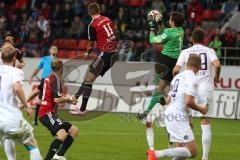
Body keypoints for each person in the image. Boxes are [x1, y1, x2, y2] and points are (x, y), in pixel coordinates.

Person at [137, 11, 184, 150]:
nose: (168, 20)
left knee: (153, 86)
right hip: (174, 63)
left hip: (164, 60)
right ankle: (151, 108)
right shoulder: (180, 30)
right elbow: (166, 33)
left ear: (173, 22)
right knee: (159, 89)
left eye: (169, 19)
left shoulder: (170, 32)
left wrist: (152, 27)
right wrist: (160, 23)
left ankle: (156, 102)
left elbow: (154, 40)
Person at [173, 28, 221, 160]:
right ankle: (204, 158)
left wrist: (179, 81)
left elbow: (176, 70)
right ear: (204, 39)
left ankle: (181, 152)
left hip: (189, 88)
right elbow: (217, 65)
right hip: (205, 88)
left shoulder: (185, 52)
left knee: (184, 121)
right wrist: (217, 77)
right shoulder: (209, 51)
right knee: (205, 123)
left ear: (192, 39)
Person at [148, 55, 208, 160]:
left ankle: (155, 154)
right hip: (178, 115)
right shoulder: (193, 79)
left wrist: (187, 117)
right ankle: (156, 154)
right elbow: (188, 101)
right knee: (192, 151)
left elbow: (168, 100)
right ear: (199, 67)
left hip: (170, 114)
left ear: (186, 64)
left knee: (181, 151)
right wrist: (201, 109)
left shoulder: (178, 77)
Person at [74, 2, 118, 116]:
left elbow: (90, 45)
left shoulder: (92, 25)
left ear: (89, 13)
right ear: (99, 10)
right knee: (89, 78)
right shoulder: (107, 19)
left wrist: (87, 53)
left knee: (88, 80)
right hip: (115, 55)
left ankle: (81, 108)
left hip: (106, 54)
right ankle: (75, 99)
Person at [0, 45, 42, 160]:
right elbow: (17, 88)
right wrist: (27, 106)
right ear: (14, 57)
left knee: (6, 138)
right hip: (11, 118)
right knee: (32, 144)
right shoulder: (16, 72)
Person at [39, 58, 79, 160]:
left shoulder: (48, 78)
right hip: (46, 112)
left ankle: (59, 156)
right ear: (61, 68)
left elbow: (53, 95)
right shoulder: (55, 79)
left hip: (49, 112)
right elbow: (57, 99)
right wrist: (69, 99)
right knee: (62, 134)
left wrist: (68, 98)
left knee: (74, 130)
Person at [28, 45, 58, 125]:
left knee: (55, 99)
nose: (54, 49)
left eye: (55, 48)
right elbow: (37, 69)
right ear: (50, 51)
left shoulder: (58, 61)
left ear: (57, 51)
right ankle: (35, 120)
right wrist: (31, 77)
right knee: (40, 99)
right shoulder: (44, 59)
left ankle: (55, 118)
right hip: (44, 80)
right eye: (52, 48)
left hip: (54, 81)